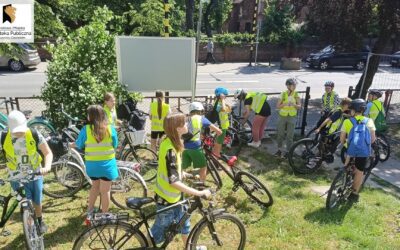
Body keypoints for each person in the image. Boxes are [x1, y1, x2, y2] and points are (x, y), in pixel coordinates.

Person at [151, 113, 211, 247]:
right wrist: (199, 193)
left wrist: (184, 174)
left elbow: (169, 169)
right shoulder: (170, 149)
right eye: (184, 123)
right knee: (157, 236)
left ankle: (189, 247)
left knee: (184, 222)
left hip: (174, 198)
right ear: (177, 128)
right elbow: (173, 181)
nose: (186, 125)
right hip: (167, 200)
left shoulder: (169, 141)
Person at [0, 110, 53, 234]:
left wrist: (47, 166)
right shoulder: (3, 137)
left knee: (37, 201)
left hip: (35, 174)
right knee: (25, 203)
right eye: (15, 131)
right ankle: (30, 227)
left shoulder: (34, 133)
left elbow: (47, 152)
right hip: (16, 177)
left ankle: (40, 220)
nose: (19, 133)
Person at [74, 105, 118, 223]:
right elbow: (115, 144)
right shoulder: (110, 128)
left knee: (94, 187)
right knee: (105, 191)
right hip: (107, 166)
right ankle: (104, 215)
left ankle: (90, 210)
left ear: (90, 116)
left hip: (92, 166)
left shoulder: (86, 129)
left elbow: (79, 144)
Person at [340, 99, 376, 203]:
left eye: (350, 110)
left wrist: (346, 144)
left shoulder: (347, 121)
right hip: (363, 151)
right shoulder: (369, 121)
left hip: (350, 149)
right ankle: (354, 194)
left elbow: (342, 139)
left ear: (354, 111)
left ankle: (342, 180)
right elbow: (372, 139)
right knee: (360, 172)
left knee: (346, 166)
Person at [182, 102, 222, 181]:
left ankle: (180, 183)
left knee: (182, 167)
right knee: (203, 167)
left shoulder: (186, 118)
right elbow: (219, 132)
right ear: (200, 110)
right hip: (195, 147)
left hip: (184, 148)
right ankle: (201, 184)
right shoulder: (202, 119)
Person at [275, 78, 301, 157]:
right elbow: (277, 106)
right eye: (293, 85)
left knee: (290, 136)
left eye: (295, 85)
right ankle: (279, 150)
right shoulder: (283, 94)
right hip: (282, 116)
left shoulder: (296, 94)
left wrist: (294, 105)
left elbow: (299, 106)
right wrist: (285, 104)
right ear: (288, 86)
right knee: (280, 134)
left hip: (292, 116)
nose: (295, 86)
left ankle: (288, 151)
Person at [212, 87, 230, 157]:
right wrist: (222, 99)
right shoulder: (219, 103)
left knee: (218, 141)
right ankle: (216, 155)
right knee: (219, 142)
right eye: (225, 95)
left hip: (223, 125)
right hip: (221, 126)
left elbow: (227, 110)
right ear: (221, 95)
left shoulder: (219, 102)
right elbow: (224, 109)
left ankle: (215, 152)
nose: (225, 97)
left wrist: (225, 103)